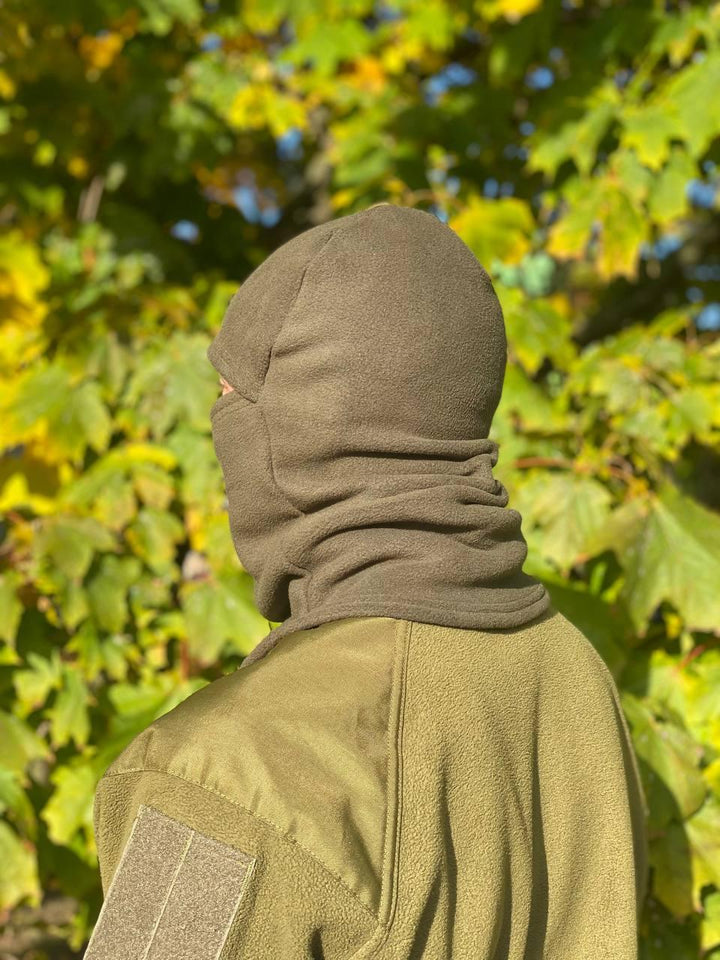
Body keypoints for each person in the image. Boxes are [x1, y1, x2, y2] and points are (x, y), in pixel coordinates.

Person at [85, 203, 648, 960]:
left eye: (232, 398)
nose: (219, 423)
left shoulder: (216, 782)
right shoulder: (573, 672)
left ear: (308, 420)